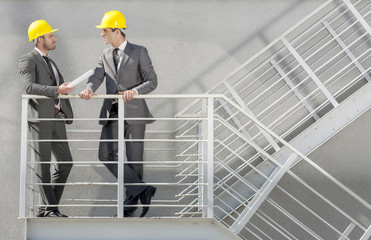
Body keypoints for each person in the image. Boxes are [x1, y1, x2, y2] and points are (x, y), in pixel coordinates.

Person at [79, 10, 158, 217]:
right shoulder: (105, 54)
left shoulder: (139, 51)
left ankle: (130, 206)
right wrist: (89, 89)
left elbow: (152, 80)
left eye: (104, 31)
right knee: (105, 154)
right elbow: (96, 76)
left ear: (116, 30)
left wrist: (135, 91)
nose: (101, 35)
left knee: (134, 159)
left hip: (134, 112)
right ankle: (143, 190)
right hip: (112, 111)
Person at [19, 20, 74, 217]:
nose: (54, 38)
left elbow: (53, 86)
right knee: (43, 163)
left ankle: (47, 209)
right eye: (50, 36)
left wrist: (63, 88)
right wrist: (56, 90)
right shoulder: (28, 59)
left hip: (57, 118)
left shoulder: (51, 62)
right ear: (39, 39)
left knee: (66, 162)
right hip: (40, 119)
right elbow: (29, 87)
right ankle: (50, 209)